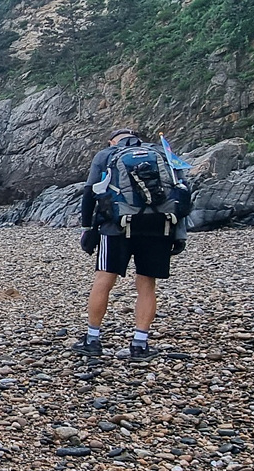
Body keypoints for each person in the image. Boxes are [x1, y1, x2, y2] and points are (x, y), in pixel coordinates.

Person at [73, 128, 188, 362]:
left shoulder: (106, 155)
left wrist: (87, 229)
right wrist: (180, 234)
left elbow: (89, 193)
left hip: (116, 227)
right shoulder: (161, 152)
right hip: (158, 226)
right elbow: (181, 192)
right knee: (147, 284)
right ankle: (140, 344)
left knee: (104, 279)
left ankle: (92, 340)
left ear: (112, 141)